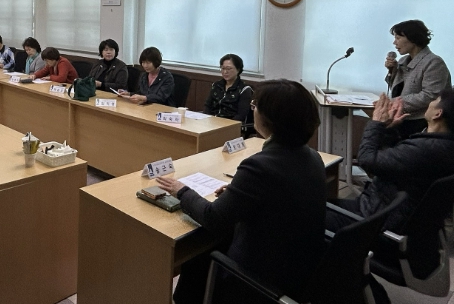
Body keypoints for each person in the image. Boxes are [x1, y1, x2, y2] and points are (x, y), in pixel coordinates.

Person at [156, 80, 326, 304]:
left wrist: (182, 191)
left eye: (255, 106)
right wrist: (240, 193)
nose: (252, 110)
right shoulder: (313, 156)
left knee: (197, 256)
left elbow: (214, 218)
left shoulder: (258, 166)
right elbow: (281, 196)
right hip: (301, 268)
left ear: (270, 119)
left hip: (259, 279)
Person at [326, 92, 454, 233]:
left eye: (436, 99)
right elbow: (394, 160)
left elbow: (367, 160)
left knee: (310, 212)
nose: (430, 102)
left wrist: (376, 123)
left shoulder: (425, 149)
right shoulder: (443, 145)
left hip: (374, 220)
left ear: (438, 114)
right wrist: (389, 128)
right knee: (320, 203)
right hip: (388, 212)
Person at [385, 20, 451, 138]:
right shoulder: (402, 61)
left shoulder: (434, 62)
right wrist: (392, 71)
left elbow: (430, 95)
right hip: (401, 119)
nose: (394, 43)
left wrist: (395, 103)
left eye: (398, 38)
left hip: (421, 123)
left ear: (413, 38)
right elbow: (397, 88)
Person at [203, 53, 253, 121]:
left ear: (238, 69)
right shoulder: (216, 85)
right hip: (212, 121)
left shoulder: (244, 89)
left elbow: (241, 115)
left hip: (231, 124)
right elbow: (207, 106)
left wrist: (226, 124)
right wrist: (207, 119)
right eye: (223, 68)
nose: (225, 72)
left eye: (229, 69)